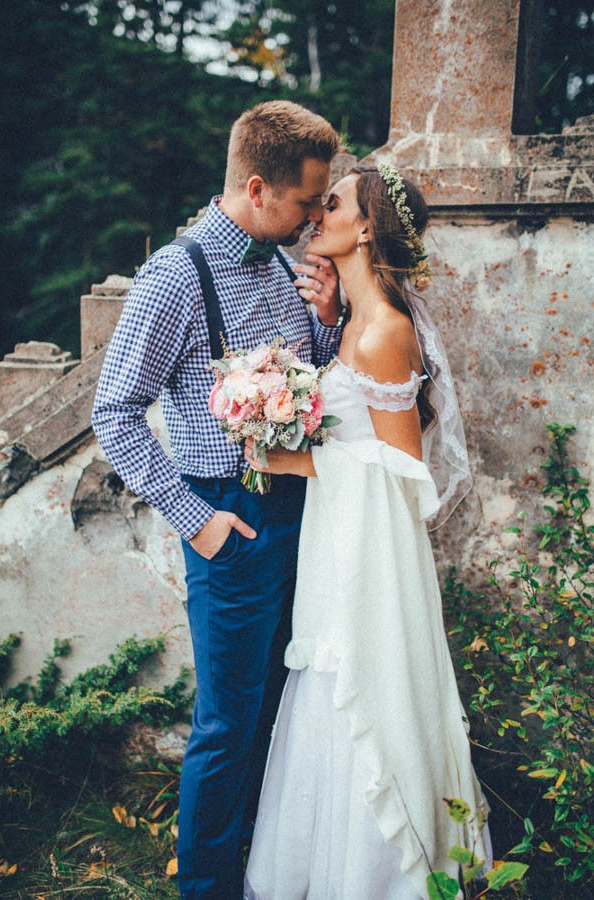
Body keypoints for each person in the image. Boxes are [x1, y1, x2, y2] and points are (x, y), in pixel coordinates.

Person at [91, 100, 344, 900]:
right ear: (260, 187)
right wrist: (196, 520)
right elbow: (113, 413)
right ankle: (205, 889)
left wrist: (330, 321)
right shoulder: (177, 275)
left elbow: (320, 387)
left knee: (278, 709)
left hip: (301, 515)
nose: (314, 219)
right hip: (228, 518)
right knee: (228, 726)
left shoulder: (278, 264)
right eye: (308, 201)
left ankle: (258, 872)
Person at [242, 164, 491, 899]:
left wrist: (298, 461)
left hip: (371, 549)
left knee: (363, 681)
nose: (320, 211)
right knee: (328, 678)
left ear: (366, 228)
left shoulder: (385, 332)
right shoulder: (351, 324)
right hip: (339, 537)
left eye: (336, 202)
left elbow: (402, 470)